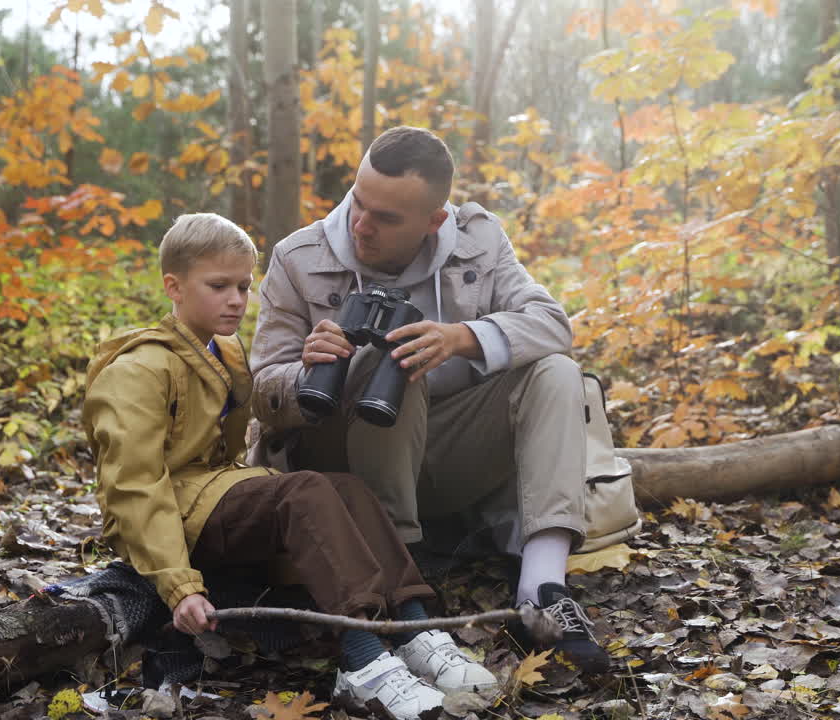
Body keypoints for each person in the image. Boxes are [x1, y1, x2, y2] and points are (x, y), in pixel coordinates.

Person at [82, 213, 496, 720]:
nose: (237, 299)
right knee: (302, 492)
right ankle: (364, 662)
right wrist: (179, 585)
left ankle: (412, 627)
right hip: (172, 517)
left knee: (343, 487)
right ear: (174, 285)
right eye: (218, 286)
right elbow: (133, 487)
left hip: (212, 495)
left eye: (243, 285)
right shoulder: (139, 369)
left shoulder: (224, 351)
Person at [248, 127, 609, 672]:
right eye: (358, 203)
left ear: (436, 221)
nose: (361, 225)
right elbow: (259, 391)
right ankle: (401, 573)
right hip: (346, 472)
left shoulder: (479, 242)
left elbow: (554, 325)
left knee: (556, 371)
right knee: (388, 358)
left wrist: (461, 338)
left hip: (447, 452)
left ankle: (542, 591)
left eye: (386, 218)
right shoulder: (299, 257)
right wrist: (308, 369)